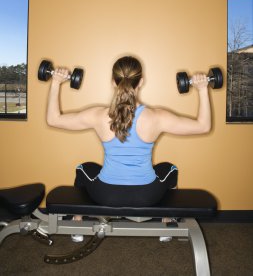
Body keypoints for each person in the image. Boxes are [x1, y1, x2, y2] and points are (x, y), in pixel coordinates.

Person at [46, 55, 211, 241]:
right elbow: (203, 126)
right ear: (141, 82)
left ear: (112, 82)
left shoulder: (98, 115)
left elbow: (53, 119)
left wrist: (56, 82)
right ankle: (167, 221)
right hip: (147, 195)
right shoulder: (156, 117)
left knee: (83, 168)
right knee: (169, 169)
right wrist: (203, 88)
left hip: (106, 194)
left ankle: (77, 223)